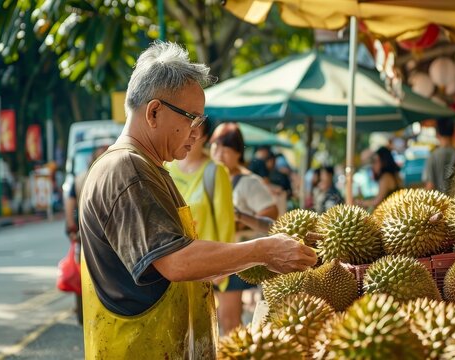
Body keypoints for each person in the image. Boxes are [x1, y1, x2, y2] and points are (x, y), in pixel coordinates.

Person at [78, 41, 316, 359]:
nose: (197, 132)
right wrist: (263, 250)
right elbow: (176, 261)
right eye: (192, 118)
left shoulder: (153, 170)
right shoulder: (126, 170)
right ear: (153, 112)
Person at [164, 119, 239, 334]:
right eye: (186, 128)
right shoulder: (165, 169)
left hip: (205, 266)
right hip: (173, 264)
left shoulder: (215, 172)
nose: (190, 135)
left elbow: (226, 224)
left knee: (206, 331)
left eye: (196, 131)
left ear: (205, 137)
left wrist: (224, 266)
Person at [210, 122, 280, 334]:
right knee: (218, 319)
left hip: (237, 257)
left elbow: (271, 215)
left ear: (238, 152)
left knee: (230, 319)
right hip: (213, 254)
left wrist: (238, 219)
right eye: (216, 147)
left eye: (226, 149)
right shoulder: (210, 177)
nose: (220, 154)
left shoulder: (249, 182)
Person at [64, 145, 109, 325]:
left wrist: (71, 228)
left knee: (83, 272)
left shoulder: (79, 179)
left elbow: (69, 205)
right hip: (107, 237)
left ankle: (84, 314)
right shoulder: (110, 175)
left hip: (84, 235)